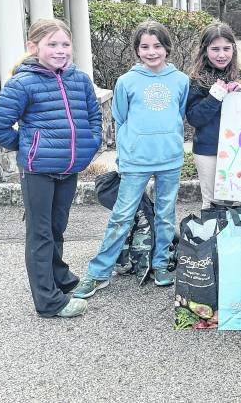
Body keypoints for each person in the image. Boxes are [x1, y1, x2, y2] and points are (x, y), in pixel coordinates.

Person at [0, 18, 102, 317]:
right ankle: (49, 302)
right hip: (38, 171)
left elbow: (93, 117)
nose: (60, 50)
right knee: (40, 234)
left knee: (57, 228)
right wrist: (29, 146)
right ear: (33, 47)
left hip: (69, 169)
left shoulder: (79, 80)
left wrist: (89, 145)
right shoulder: (23, 82)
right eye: (52, 44)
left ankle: (59, 279)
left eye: (65, 44)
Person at [74, 21, 190, 298]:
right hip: (136, 160)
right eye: (144, 47)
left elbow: (180, 113)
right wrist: (130, 150)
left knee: (165, 215)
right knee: (121, 216)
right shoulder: (126, 82)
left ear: (167, 48)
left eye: (157, 46)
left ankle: (161, 264)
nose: (151, 52)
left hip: (170, 158)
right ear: (137, 50)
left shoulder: (181, 80)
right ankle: (99, 272)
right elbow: (120, 117)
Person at [186, 23, 241, 209]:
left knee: (237, 198)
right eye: (215, 49)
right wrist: (214, 98)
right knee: (213, 201)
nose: (221, 54)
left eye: (226, 48)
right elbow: (194, 118)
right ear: (205, 50)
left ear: (233, 49)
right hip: (208, 150)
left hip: (237, 149)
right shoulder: (197, 81)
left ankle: (236, 237)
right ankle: (212, 237)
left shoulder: (239, 77)